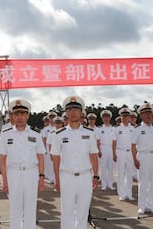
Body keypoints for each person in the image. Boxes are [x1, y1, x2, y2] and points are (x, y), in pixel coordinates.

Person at [52, 96, 99, 229]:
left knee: (83, 212)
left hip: (85, 176)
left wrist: (96, 175)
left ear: (81, 113)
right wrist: (57, 179)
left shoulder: (90, 133)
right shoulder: (59, 134)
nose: (73, 112)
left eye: (76, 109)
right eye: (70, 110)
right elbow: (56, 159)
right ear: (66, 113)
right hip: (66, 176)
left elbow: (94, 155)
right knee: (66, 211)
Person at [0, 99, 45, 229]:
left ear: (27, 115)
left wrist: (41, 176)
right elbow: (2, 159)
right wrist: (5, 181)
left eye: (22, 114)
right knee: (14, 208)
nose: (19, 117)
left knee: (30, 206)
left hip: (31, 173)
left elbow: (41, 157)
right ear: (12, 116)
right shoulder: (5, 134)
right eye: (16, 114)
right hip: (13, 173)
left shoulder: (35, 133)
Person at [131, 103, 153, 214]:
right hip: (143, 156)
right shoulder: (137, 129)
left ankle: (151, 205)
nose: (149, 115)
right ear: (141, 115)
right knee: (143, 182)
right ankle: (142, 205)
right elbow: (133, 145)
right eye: (146, 113)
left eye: (150, 113)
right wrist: (135, 159)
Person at [112, 107, 135, 201]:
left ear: (129, 117)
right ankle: (121, 194)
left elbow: (134, 143)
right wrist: (114, 153)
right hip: (120, 152)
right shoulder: (116, 129)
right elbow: (113, 142)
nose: (125, 118)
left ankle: (129, 194)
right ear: (121, 117)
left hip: (130, 152)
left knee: (129, 174)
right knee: (121, 174)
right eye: (123, 116)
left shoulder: (133, 128)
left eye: (127, 116)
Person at [95, 109, 115, 190]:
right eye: (104, 117)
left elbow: (114, 141)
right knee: (103, 167)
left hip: (111, 148)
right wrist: (99, 150)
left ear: (110, 118)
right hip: (103, 148)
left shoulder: (114, 129)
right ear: (102, 119)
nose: (106, 119)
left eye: (107, 117)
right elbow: (98, 141)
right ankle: (103, 185)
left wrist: (114, 152)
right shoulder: (99, 129)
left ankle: (110, 184)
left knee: (111, 167)